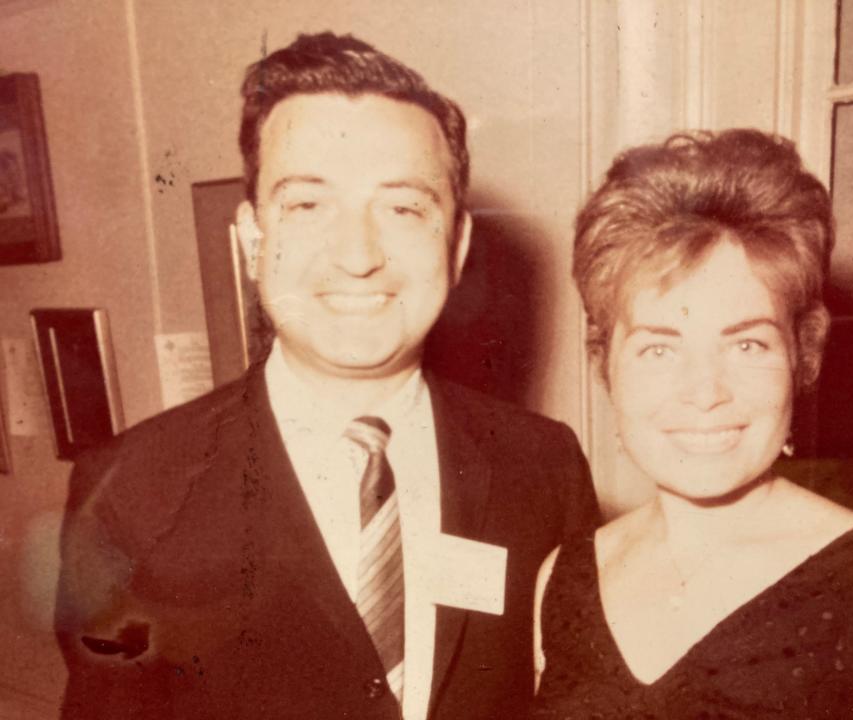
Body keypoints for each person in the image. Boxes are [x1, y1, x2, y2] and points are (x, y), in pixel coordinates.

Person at [55, 32, 599, 720]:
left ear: (456, 245)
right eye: (308, 205)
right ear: (254, 242)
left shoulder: (543, 467)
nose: (358, 255)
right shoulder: (130, 491)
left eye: (402, 208)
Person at [530, 129, 853, 719]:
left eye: (748, 346)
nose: (705, 392)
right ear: (606, 366)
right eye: (659, 349)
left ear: (801, 358)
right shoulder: (562, 579)